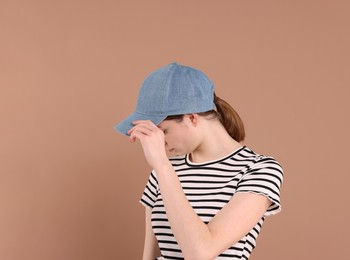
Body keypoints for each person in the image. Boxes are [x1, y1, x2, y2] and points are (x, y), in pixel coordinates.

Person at [115, 62, 284, 260]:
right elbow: (150, 255)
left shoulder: (259, 170)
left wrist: (162, 165)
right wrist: (162, 168)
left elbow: (200, 253)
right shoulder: (163, 171)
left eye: (163, 131)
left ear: (192, 118)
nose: (159, 142)